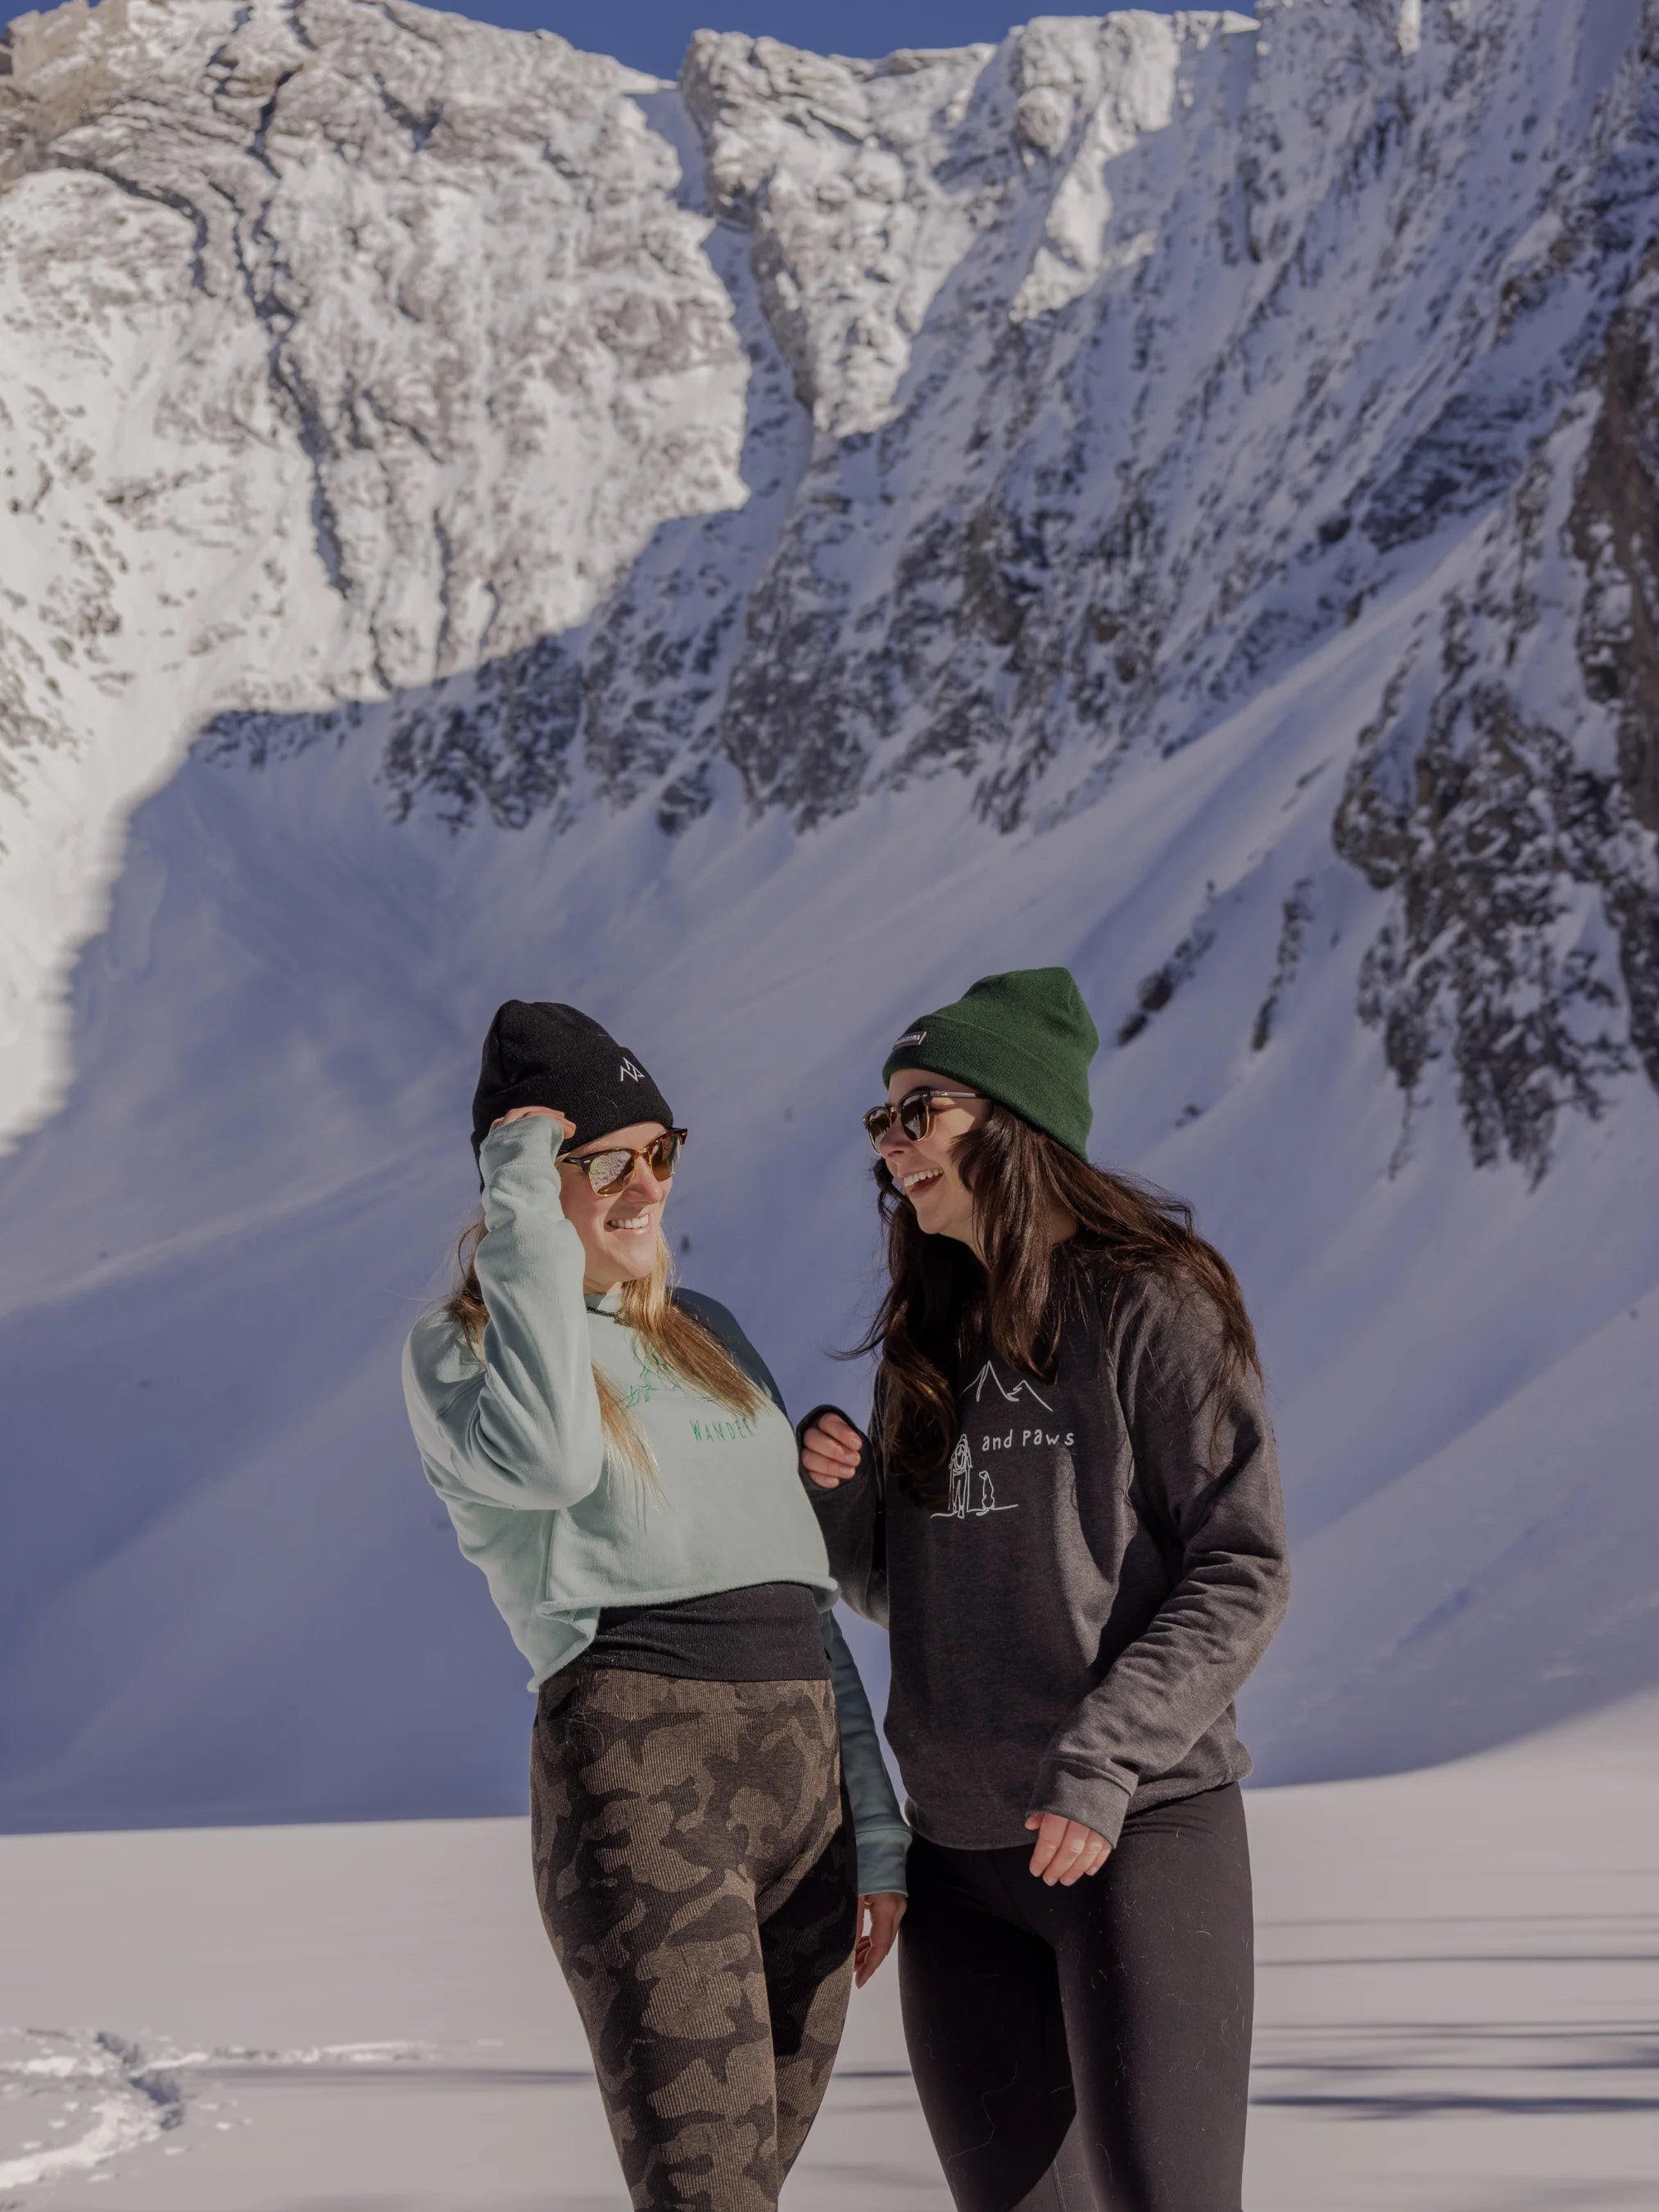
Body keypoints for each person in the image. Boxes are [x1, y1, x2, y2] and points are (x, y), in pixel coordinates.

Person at [403, 999, 909, 2212]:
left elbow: (800, 1590)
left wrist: (874, 1828)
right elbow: (547, 1465)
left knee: (751, 2182)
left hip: (805, 1791)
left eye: (661, 1154)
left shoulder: (710, 1335)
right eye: (601, 1164)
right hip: (640, 1770)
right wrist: (524, 1203)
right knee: (707, 2193)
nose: (642, 1190)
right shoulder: (459, 1349)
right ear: (523, 1178)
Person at [799, 968, 1290, 2212]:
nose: (891, 1145)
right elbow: (906, 1590)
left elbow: (1242, 1569)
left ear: (1013, 1123)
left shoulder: (1153, 1302)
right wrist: (835, 1502)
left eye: (921, 1111)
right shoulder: (929, 1333)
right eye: (881, 1121)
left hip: (1135, 1839)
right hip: (960, 1860)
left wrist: (1100, 1758)